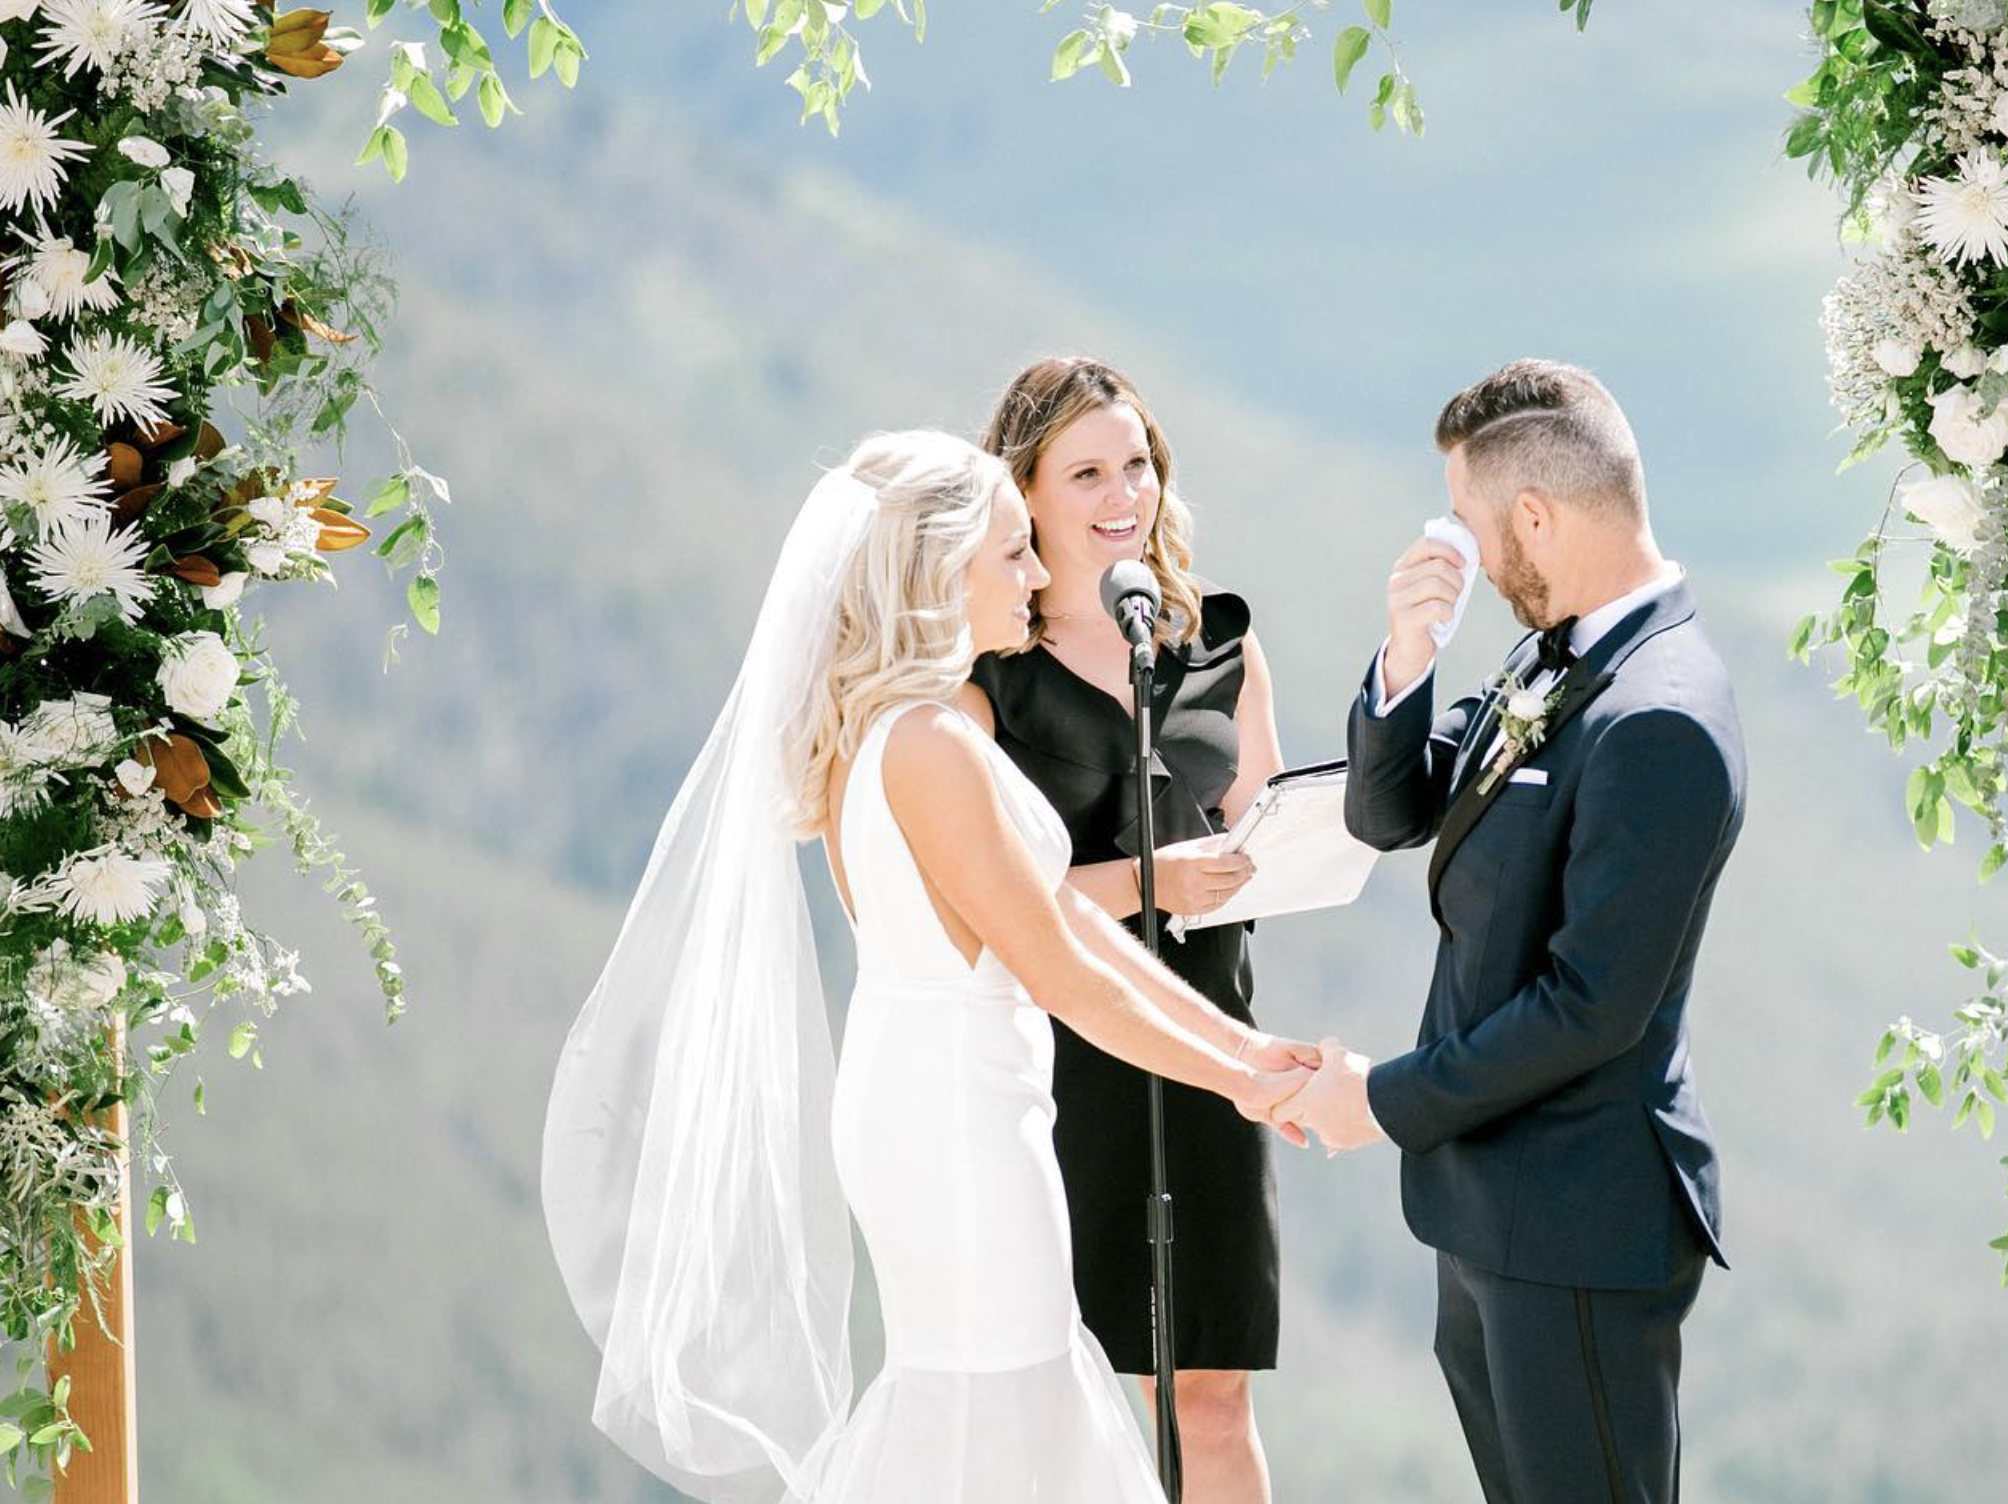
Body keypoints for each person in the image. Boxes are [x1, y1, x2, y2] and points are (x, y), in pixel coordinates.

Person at [540, 431, 1318, 1503]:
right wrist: (1239, 1077)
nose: (1036, 574)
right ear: (940, 571)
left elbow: (1065, 922)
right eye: (1012, 552)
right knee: (995, 1411)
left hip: (949, 1100)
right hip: (958, 1123)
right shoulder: (931, 746)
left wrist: (1242, 1051)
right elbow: (1061, 967)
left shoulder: (889, 730)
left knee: (986, 1405)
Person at [1281, 360, 1746, 1504]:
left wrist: (1375, 1100)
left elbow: (1589, 1007)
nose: (1473, 558)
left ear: (1533, 516)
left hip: (1578, 1229)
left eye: (1473, 524)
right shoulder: (1559, 649)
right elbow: (1391, 811)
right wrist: (1407, 660)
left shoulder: (1660, 716)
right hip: (1489, 1211)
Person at [967, 357, 1285, 1504]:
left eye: (1137, 465)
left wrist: (1285, 850)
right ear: (1024, 491)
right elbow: (979, 892)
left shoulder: (1218, 641)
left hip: (1207, 1039)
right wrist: (1151, 883)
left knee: (1213, 1392)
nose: (1123, 495)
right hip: (1058, 1061)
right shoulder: (987, 675)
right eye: (1087, 473)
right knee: (1069, 1395)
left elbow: (1261, 821)